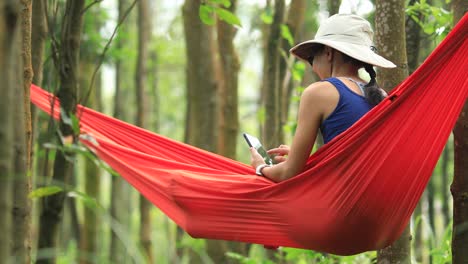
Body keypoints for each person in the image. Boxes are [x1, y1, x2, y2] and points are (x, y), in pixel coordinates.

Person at [250, 14, 396, 182]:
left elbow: (288, 173)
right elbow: (356, 158)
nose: (312, 67)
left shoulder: (319, 92)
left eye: (311, 59)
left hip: (340, 199)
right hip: (378, 198)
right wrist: (305, 158)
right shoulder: (382, 95)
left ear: (328, 53)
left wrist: (261, 166)